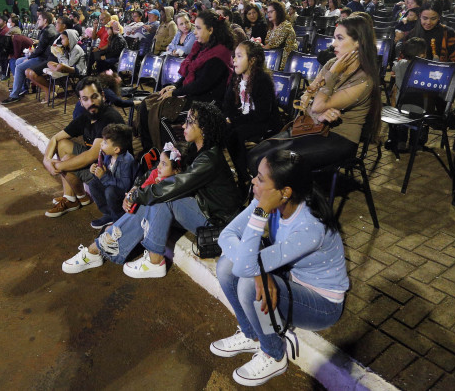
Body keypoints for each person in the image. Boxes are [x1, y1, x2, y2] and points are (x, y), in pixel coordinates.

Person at [212, 150, 348, 387]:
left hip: (322, 304)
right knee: (226, 266)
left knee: (249, 285)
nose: (254, 181)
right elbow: (227, 236)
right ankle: (252, 333)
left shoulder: (309, 227)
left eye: (261, 179)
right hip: (292, 277)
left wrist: (261, 214)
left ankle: (273, 354)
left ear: (285, 192)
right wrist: (257, 270)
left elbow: (246, 264)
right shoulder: (271, 198)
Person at [61, 102, 242, 278]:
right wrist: (136, 188)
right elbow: (156, 169)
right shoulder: (197, 148)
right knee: (152, 197)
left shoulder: (209, 159)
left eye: (189, 122)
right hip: (202, 209)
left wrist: (136, 196)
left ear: (203, 128)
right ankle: (99, 248)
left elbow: (174, 186)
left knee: (162, 197)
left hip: (217, 223)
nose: (183, 125)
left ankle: (152, 260)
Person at [248, 15, 381, 174]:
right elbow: (306, 99)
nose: (333, 44)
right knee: (254, 154)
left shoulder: (363, 79)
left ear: (358, 42)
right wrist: (318, 113)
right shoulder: (332, 63)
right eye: (334, 38)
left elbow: (317, 104)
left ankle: (292, 197)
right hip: (315, 126)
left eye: (339, 38)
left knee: (270, 162)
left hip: (340, 139)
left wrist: (331, 76)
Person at [136, 10, 235, 151]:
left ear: (211, 30)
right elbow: (190, 74)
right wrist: (174, 86)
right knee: (146, 105)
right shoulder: (203, 47)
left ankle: (172, 156)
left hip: (207, 102)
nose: (195, 32)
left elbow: (201, 85)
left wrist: (176, 92)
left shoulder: (219, 54)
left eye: (199, 28)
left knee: (161, 115)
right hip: (193, 94)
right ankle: (150, 151)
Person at [43, 77, 125, 217]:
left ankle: (80, 197)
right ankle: (72, 198)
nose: (91, 103)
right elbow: (56, 138)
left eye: (94, 97)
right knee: (62, 144)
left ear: (102, 96)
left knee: (67, 159)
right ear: (80, 101)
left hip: (111, 175)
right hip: (97, 165)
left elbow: (91, 155)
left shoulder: (108, 117)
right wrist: (47, 160)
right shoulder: (87, 116)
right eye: (85, 99)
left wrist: (58, 166)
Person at [224, 40, 278, 191]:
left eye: (239, 56)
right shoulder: (236, 77)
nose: (234, 60)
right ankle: (226, 173)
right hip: (245, 118)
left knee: (234, 134)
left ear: (252, 60)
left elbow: (262, 114)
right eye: (234, 56)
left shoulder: (262, 80)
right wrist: (229, 118)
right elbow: (227, 103)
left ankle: (243, 178)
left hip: (264, 123)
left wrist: (234, 120)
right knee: (222, 128)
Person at [1, 12, 59, 104]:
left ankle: (14, 95)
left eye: (39, 19)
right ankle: (22, 88)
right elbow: (42, 45)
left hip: (45, 58)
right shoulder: (48, 29)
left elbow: (40, 49)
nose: (37, 21)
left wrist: (30, 57)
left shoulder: (48, 31)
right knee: (18, 61)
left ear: (45, 20)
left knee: (19, 67)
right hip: (43, 56)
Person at [87, 123, 136, 229]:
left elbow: (125, 186)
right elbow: (103, 176)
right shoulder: (108, 156)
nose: (101, 144)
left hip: (122, 194)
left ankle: (118, 218)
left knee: (110, 191)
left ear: (116, 149)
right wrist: (96, 171)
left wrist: (104, 176)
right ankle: (109, 214)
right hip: (111, 186)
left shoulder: (126, 161)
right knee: (93, 184)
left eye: (105, 143)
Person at [263, 1, 297, 71]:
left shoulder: (286, 25)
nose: (268, 14)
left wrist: (260, 48)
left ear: (278, 12)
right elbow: (267, 43)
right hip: (274, 58)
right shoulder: (271, 28)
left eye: (271, 12)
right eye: (268, 12)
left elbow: (274, 43)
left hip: (285, 61)